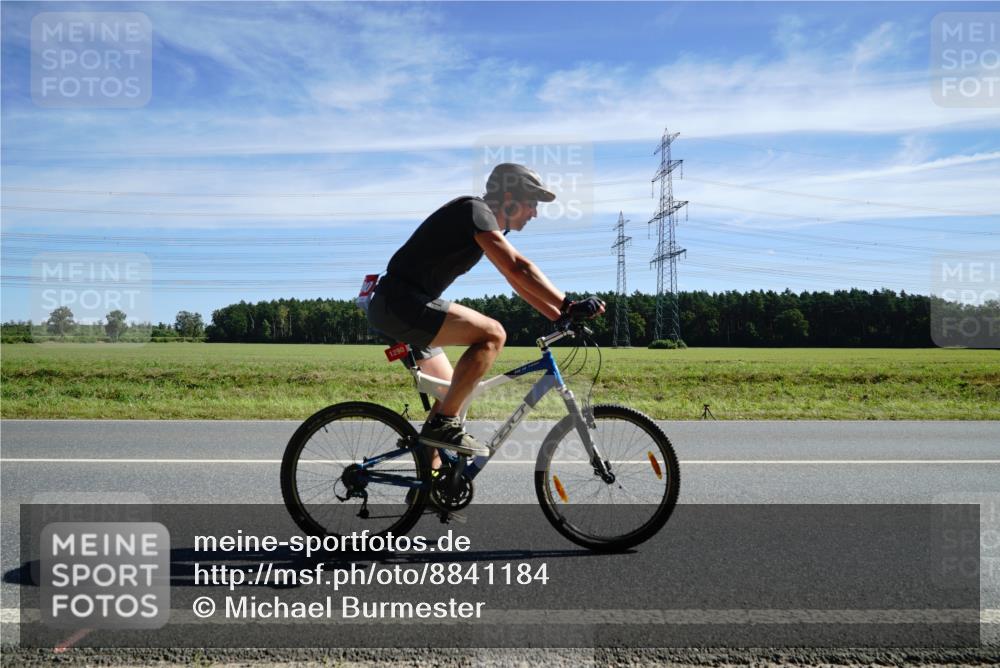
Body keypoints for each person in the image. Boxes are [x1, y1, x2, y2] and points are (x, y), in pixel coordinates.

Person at [367, 163, 605, 461]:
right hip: (400, 303)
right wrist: (568, 303)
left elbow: (515, 280)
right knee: (493, 334)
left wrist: (559, 316)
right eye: (531, 203)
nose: (535, 213)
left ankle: (429, 488)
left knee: (453, 395)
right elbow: (518, 268)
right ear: (509, 198)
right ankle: (443, 427)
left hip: (396, 305)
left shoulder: (480, 224)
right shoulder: (474, 211)